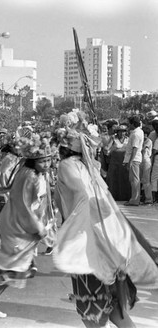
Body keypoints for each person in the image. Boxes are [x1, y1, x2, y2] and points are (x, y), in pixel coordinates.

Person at [53, 123, 158, 328]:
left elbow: (84, 198)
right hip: (106, 238)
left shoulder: (69, 166)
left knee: (94, 310)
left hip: (87, 241)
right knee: (114, 308)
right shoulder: (87, 167)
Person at [0, 134, 54, 318]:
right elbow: (22, 204)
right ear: (32, 161)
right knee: (13, 269)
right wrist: (38, 227)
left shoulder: (37, 174)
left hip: (23, 227)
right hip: (18, 226)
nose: (46, 164)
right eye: (42, 161)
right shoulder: (28, 176)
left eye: (48, 160)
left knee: (19, 269)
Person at [123, 116, 144, 206]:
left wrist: (130, 161)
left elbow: (135, 148)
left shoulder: (136, 134)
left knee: (134, 180)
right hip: (135, 158)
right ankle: (134, 199)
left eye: (129, 123)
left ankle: (134, 200)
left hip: (134, 159)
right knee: (133, 179)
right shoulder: (139, 131)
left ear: (132, 124)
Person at [106, 125, 131, 201]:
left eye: (123, 131)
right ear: (117, 132)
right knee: (114, 178)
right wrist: (112, 149)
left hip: (124, 161)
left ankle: (125, 196)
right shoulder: (113, 138)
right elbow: (107, 149)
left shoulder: (128, 139)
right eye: (120, 131)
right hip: (115, 161)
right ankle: (114, 196)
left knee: (125, 178)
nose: (122, 133)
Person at [141, 125, 153, 205]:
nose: (144, 135)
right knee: (141, 180)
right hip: (140, 161)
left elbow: (143, 150)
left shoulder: (148, 141)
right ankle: (143, 197)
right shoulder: (141, 140)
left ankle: (149, 199)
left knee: (146, 181)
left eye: (146, 134)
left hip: (145, 161)